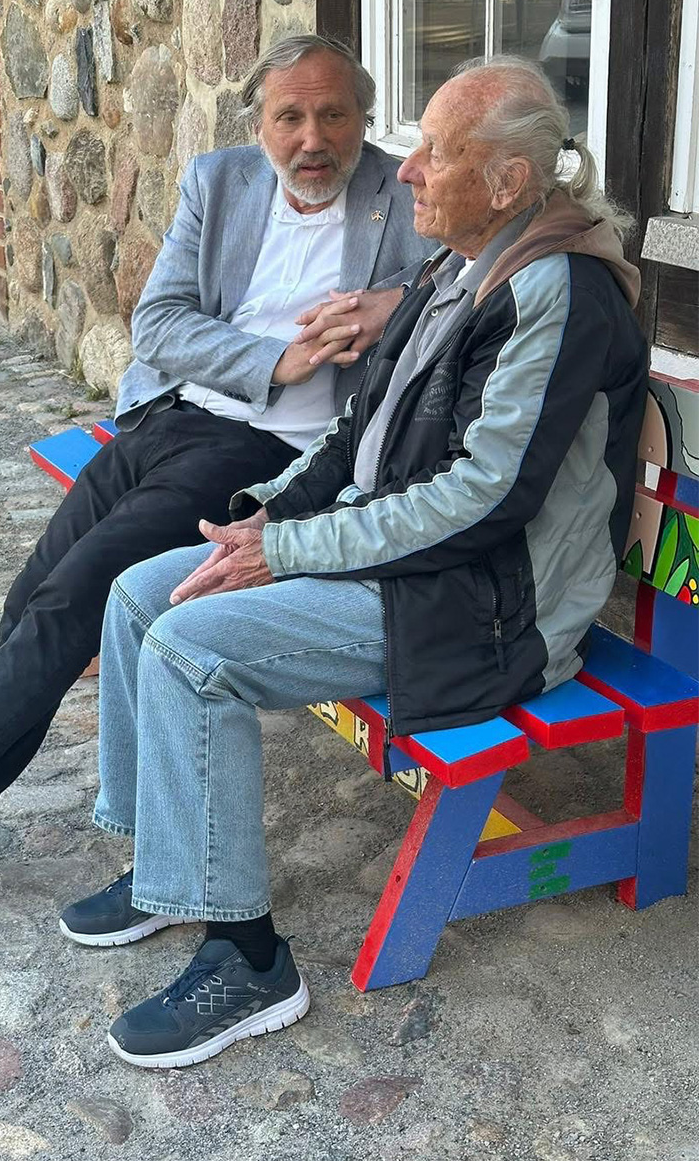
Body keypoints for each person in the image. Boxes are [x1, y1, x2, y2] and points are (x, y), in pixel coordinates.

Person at [0, 35, 434, 907]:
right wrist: (273, 361)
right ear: (259, 123)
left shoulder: (406, 196)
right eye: (290, 117)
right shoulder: (221, 181)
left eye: (334, 115)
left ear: (364, 118)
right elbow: (159, 322)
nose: (313, 139)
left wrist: (395, 304)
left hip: (267, 458)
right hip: (169, 420)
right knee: (28, 607)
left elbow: (478, 278)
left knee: (71, 603)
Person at [69, 55, 645, 1068]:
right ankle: (170, 866)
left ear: (507, 180)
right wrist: (265, 518)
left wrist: (290, 550)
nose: (406, 169)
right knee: (138, 594)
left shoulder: (556, 291)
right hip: (407, 559)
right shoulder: (457, 264)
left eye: (433, 152)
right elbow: (356, 431)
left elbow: (483, 501)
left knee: (193, 653)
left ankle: (250, 961)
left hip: (490, 607)